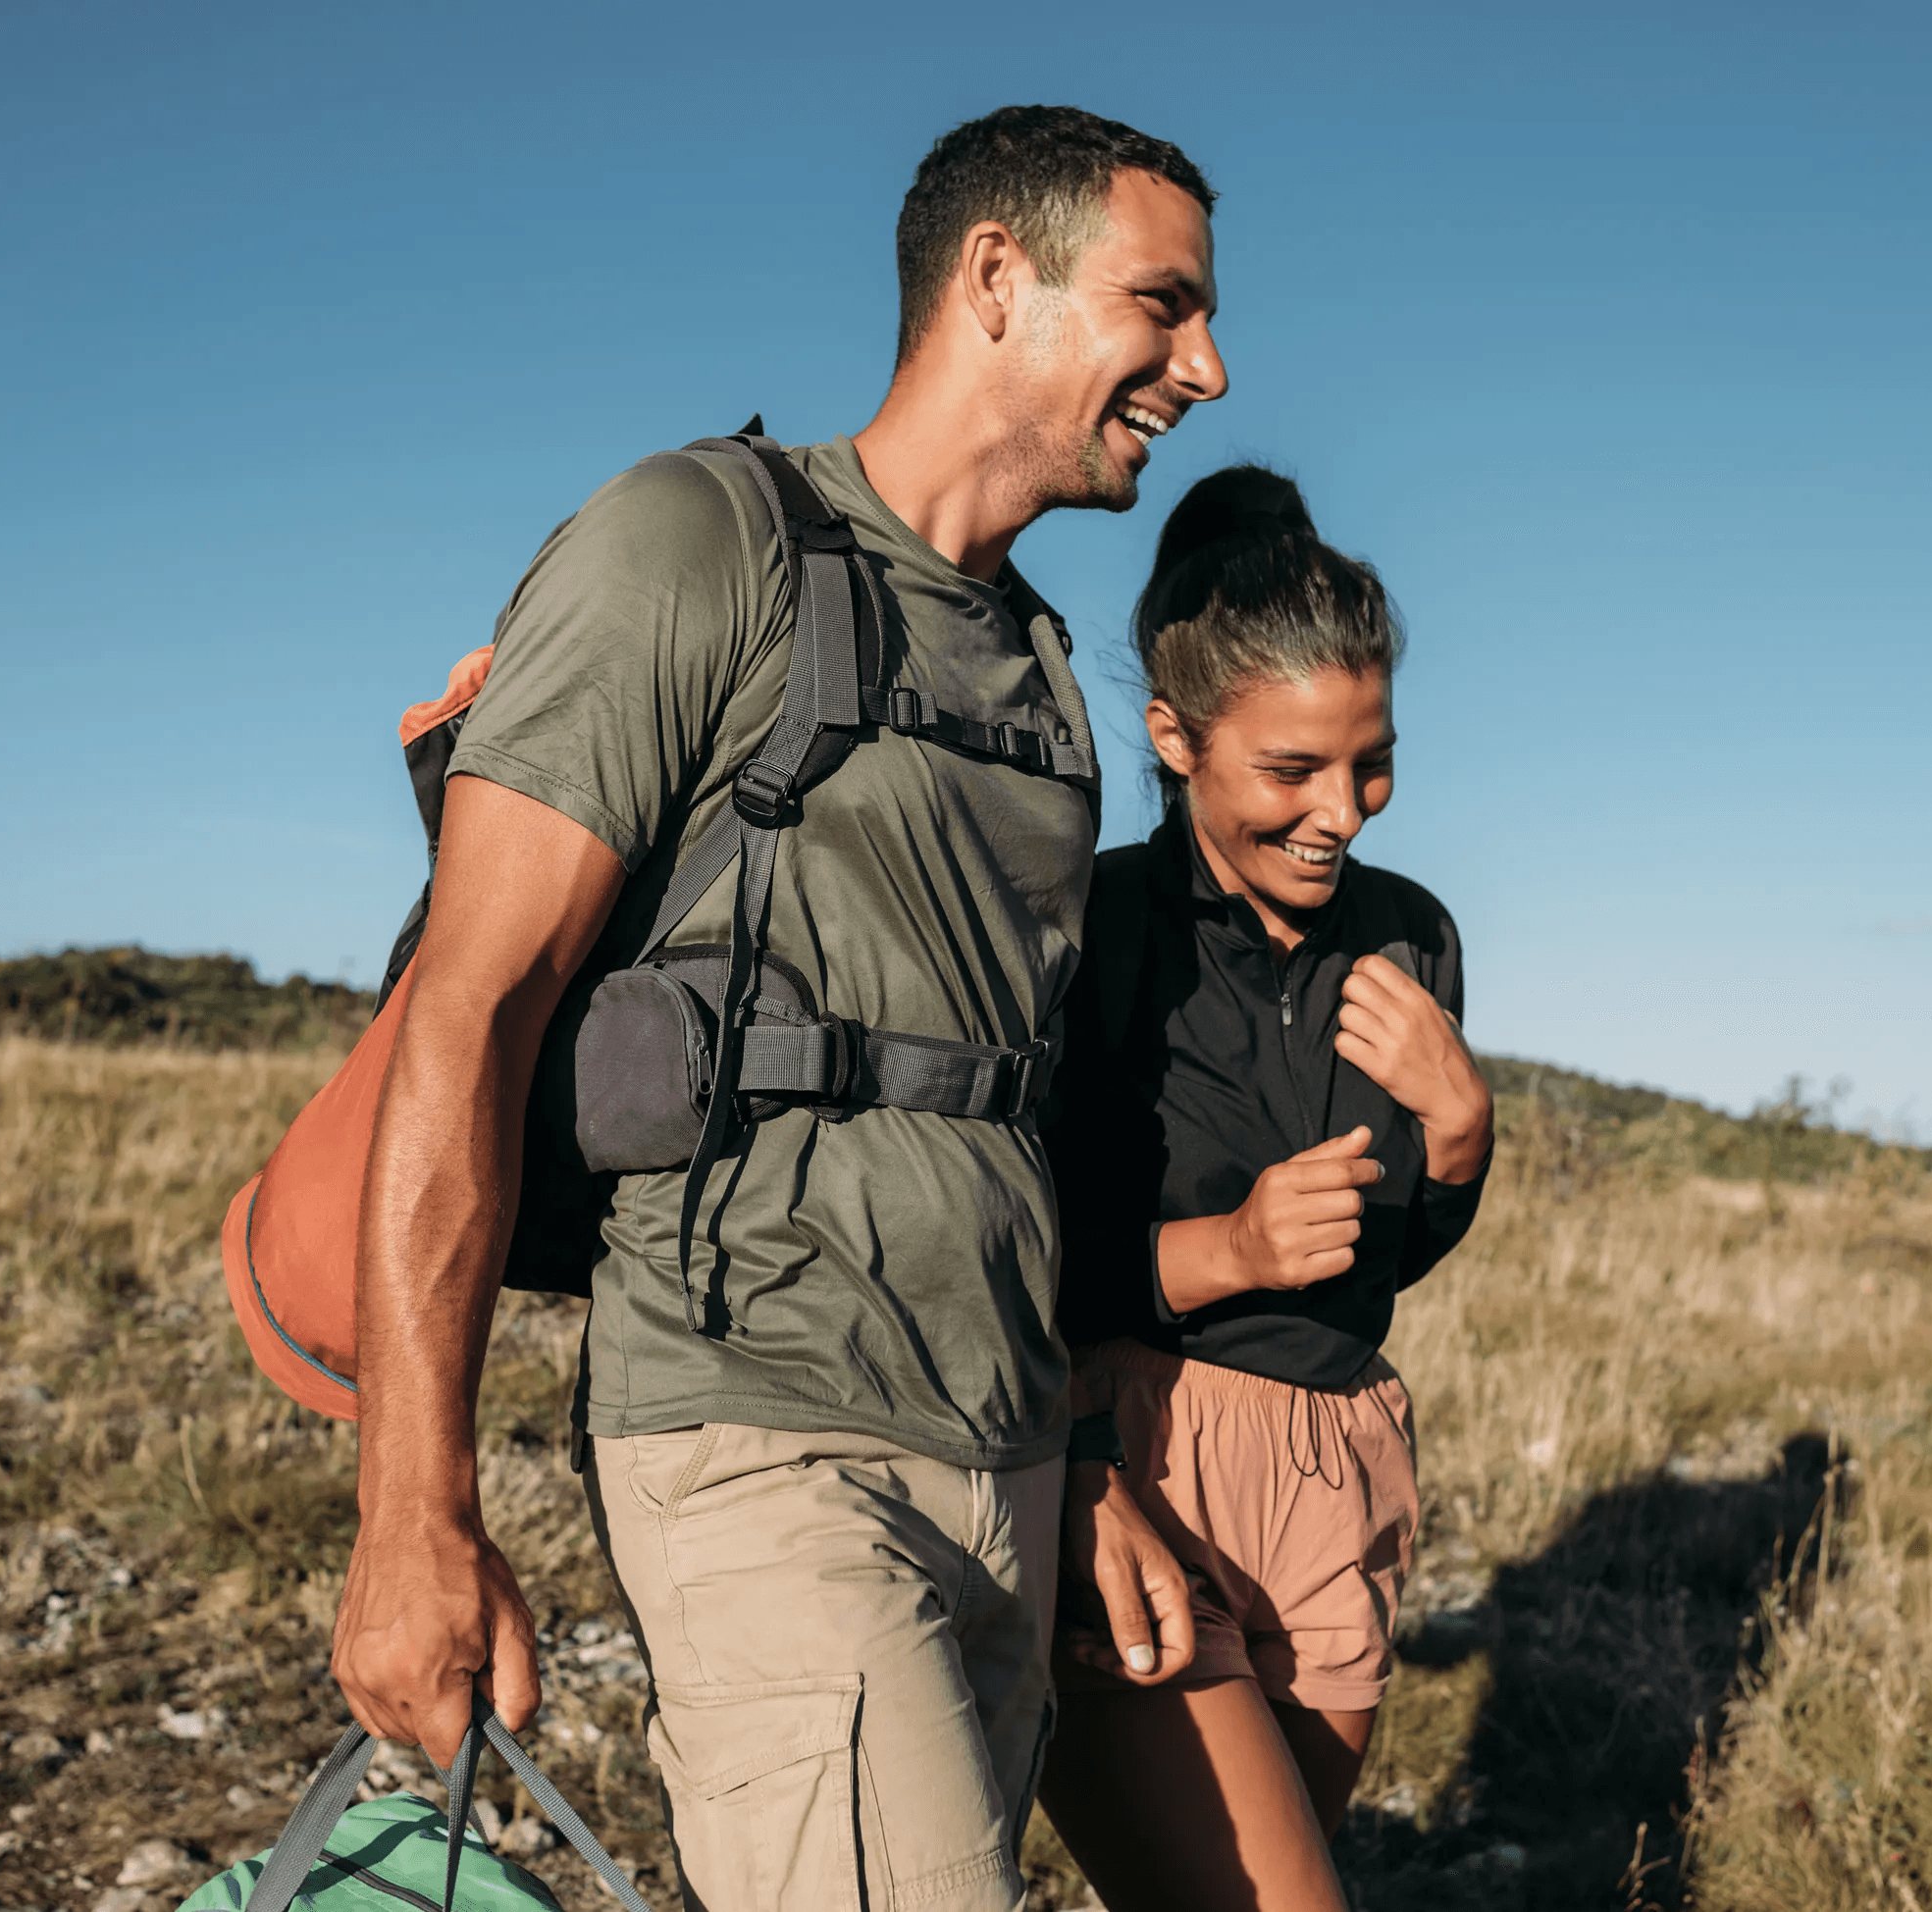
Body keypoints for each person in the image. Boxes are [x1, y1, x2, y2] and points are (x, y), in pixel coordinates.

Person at [330, 107, 1231, 1912]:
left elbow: (1013, 1119)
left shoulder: (1047, 678)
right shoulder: (700, 538)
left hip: (1002, 1461)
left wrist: (1073, 1452)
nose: (1206, 367)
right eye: (1165, 304)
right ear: (999, 277)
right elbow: (470, 1012)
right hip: (756, 1421)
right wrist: (406, 1513)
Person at [1036, 466, 1495, 1911]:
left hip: (1346, 1474)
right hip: (1137, 1462)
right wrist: (1222, 1251)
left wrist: (1465, 1138)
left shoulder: (1414, 938)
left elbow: (1387, 1255)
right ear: (1174, 738)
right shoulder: (1094, 931)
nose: (1341, 814)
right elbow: (1000, 1252)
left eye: (1371, 764)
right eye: (1291, 771)